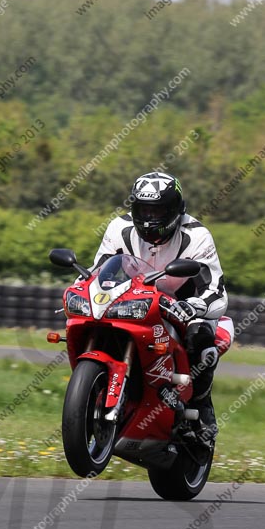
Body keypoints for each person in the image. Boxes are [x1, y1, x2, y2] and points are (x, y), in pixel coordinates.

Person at [92, 171, 228, 441]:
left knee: (200, 336)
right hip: (136, 300)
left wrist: (194, 307)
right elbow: (99, 271)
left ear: (176, 210)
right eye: (143, 209)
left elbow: (216, 290)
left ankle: (201, 406)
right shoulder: (120, 228)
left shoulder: (197, 236)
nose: (149, 218)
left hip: (185, 306)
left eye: (158, 211)